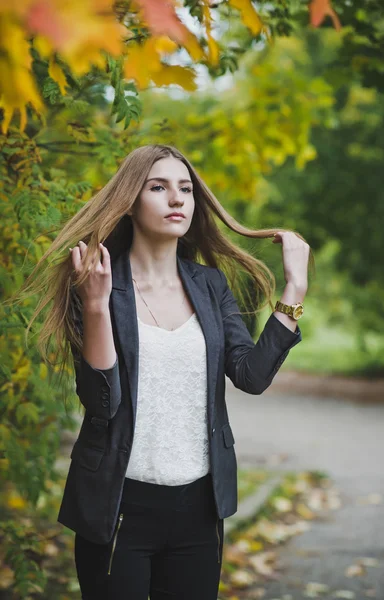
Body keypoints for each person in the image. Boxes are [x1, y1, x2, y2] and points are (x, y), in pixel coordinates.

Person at [20, 144, 311, 599]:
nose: (177, 199)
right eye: (159, 188)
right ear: (131, 202)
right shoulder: (98, 281)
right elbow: (102, 403)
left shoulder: (211, 285)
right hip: (118, 507)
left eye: (185, 189)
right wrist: (96, 306)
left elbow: (252, 376)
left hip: (199, 508)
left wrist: (295, 288)